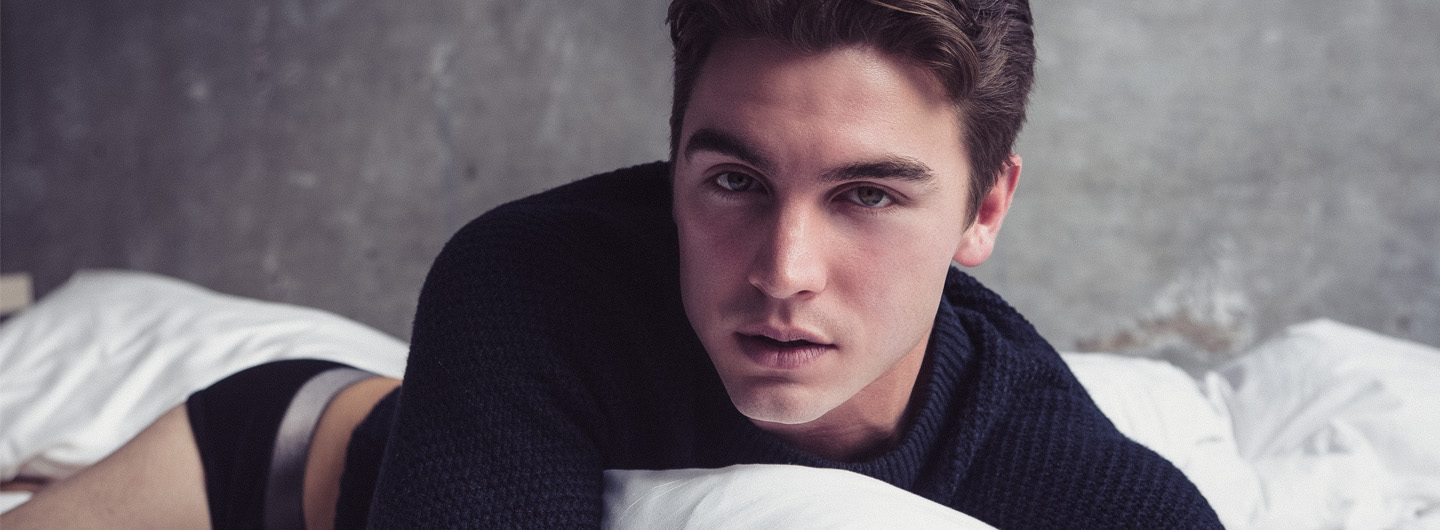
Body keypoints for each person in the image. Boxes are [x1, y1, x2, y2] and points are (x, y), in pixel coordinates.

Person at [2, 0, 1224, 528]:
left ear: (984, 207)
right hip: (272, 466)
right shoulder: (524, 277)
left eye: (867, 196)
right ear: (673, 155)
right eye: (734, 181)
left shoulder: (1031, 434)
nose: (785, 269)